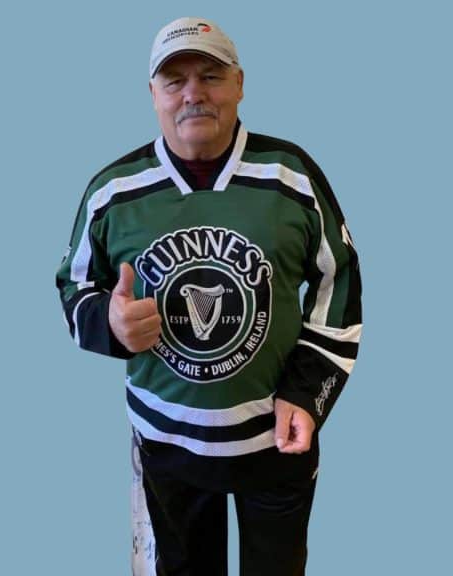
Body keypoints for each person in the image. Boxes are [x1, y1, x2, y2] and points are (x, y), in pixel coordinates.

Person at [55, 16, 361, 576]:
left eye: (210, 76)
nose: (193, 93)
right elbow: (74, 287)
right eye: (175, 80)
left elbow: (338, 281)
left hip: (276, 440)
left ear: (240, 84)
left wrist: (309, 389)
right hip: (165, 447)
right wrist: (109, 323)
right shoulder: (113, 193)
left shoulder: (290, 176)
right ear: (153, 95)